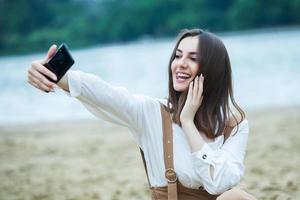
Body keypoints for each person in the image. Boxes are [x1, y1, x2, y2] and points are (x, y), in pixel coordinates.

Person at [27, 29, 256, 200]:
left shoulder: (234, 125)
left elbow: (220, 184)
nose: (180, 64)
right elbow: (106, 94)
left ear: (212, 69)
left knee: (234, 197)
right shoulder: (152, 113)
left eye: (193, 58)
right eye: (177, 56)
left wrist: (188, 122)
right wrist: (57, 76)